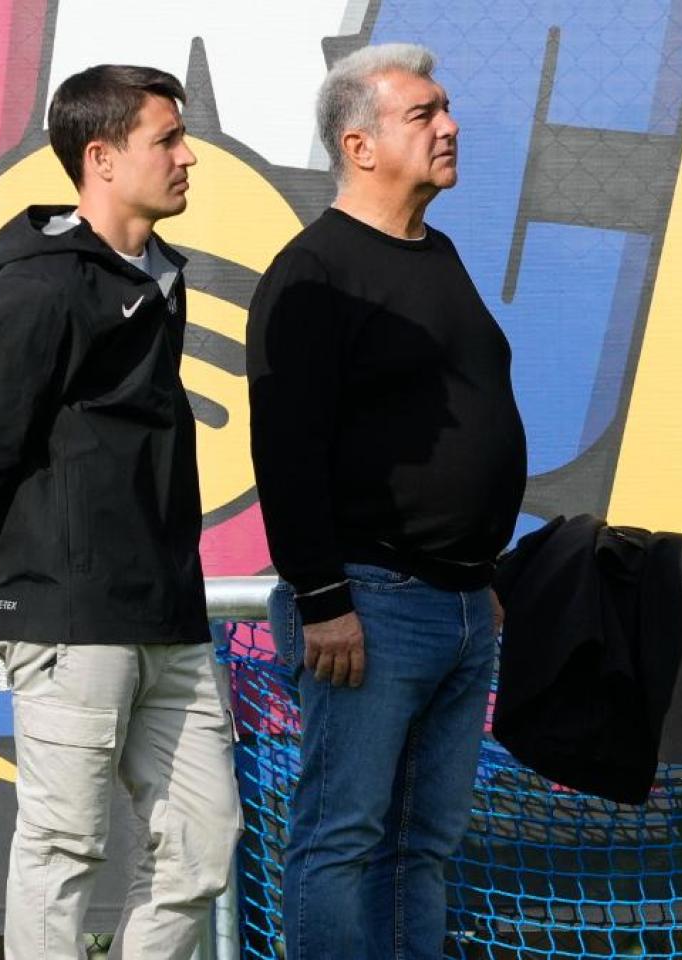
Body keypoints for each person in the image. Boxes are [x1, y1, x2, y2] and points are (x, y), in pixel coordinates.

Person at [0, 64, 239, 960]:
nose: (188, 158)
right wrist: (8, 558)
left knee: (204, 843)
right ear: (102, 158)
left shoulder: (157, 275)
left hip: (168, 616)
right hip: (70, 617)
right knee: (64, 846)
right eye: (168, 140)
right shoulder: (38, 285)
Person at [245, 43, 527, 959]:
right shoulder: (314, 273)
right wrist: (325, 598)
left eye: (446, 109)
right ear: (359, 146)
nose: (450, 126)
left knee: (423, 849)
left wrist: (476, 577)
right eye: (424, 114)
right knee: (341, 842)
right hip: (368, 606)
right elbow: (287, 451)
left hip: (456, 606)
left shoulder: (434, 253)